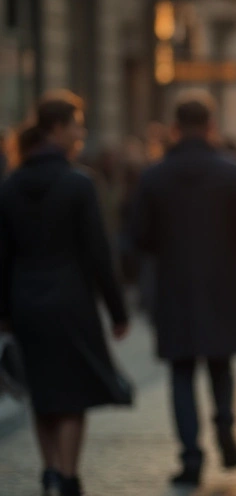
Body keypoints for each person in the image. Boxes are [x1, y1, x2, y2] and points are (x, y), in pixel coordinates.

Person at [130, 90, 236, 487]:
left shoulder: (154, 175)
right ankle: (224, 424)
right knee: (220, 364)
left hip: (174, 283)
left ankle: (190, 455)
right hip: (220, 280)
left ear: (174, 129)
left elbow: (138, 236)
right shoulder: (229, 171)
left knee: (181, 372)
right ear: (211, 127)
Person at [0, 92, 132, 496]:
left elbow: (1, 254)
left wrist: (3, 311)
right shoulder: (78, 184)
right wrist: (117, 310)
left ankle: (50, 470)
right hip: (70, 299)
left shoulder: (11, 185)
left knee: (42, 390)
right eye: (76, 124)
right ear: (57, 129)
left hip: (25, 299)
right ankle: (70, 476)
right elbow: (99, 253)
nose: (82, 132)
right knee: (72, 393)